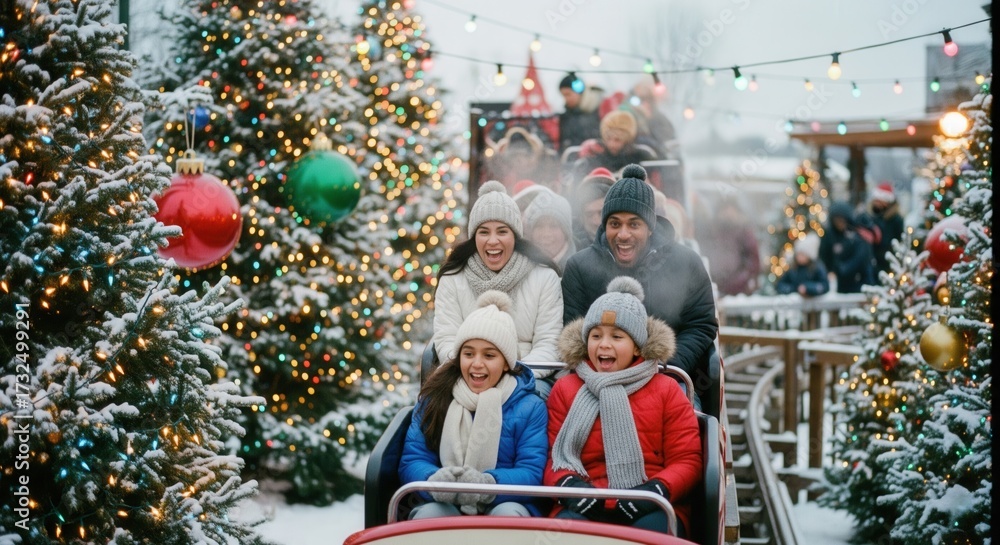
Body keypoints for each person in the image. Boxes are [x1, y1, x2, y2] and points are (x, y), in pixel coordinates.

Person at [545, 277, 702, 536]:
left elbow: (687, 460)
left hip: (650, 501)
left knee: (647, 537)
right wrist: (569, 486)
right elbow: (553, 458)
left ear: (637, 346)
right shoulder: (566, 389)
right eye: (596, 336)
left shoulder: (666, 390)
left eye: (617, 337)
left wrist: (656, 490)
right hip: (585, 499)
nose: (604, 344)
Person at [561, 165, 717, 409]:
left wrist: (666, 367)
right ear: (605, 226)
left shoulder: (685, 263)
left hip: (666, 375)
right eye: (615, 224)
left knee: (683, 417)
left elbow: (701, 324)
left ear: (650, 227)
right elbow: (574, 328)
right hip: (599, 378)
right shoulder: (580, 266)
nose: (623, 234)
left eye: (634, 225)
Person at [401, 291, 549, 519]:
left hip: (504, 500)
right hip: (446, 500)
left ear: (507, 364)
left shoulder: (530, 407)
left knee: (507, 516)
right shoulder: (436, 397)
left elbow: (531, 471)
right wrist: (436, 481)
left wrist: (487, 485)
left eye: (489, 356)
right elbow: (413, 459)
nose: (477, 364)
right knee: (430, 516)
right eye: (468, 354)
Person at [433, 180, 563, 372]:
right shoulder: (453, 279)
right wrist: (477, 373)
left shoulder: (544, 278)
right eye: (484, 232)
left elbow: (548, 343)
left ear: (515, 236)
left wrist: (512, 377)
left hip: (527, 376)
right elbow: (447, 340)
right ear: (474, 237)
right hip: (468, 375)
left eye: (502, 232)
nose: (493, 241)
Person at [697, 197, 761, 296]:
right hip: (717, 289)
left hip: (742, 291)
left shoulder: (744, 231)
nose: (728, 212)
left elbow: (752, 261)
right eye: (724, 209)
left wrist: (742, 281)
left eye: (730, 208)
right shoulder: (713, 231)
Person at [574, 110, 657, 177]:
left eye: (617, 140)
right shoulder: (594, 157)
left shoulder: (641, 157)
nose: (612, 144)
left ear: (627, 140)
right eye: (608, 139)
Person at [819, 201, 876, 293]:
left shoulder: (856, 236)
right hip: (835, 281)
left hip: (855, 280)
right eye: (837, 220)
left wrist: (843, 269)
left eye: (842, 220)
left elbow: (861, 258)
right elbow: (824, 255)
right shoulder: (829, 235)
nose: (840, 223)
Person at [522, 187, 576, 271]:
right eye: (539, 226)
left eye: (554, 226)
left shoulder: (581, 268)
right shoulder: (520, 269)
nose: (546, 234)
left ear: (566, 232)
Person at [863, 182, 904, 275]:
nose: (877, 203)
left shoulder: (896, 220)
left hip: (888, 265)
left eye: (880, 201)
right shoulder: (870, 218)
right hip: (871, 264)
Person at [570, 167, 615, 250]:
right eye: (589, 214)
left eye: (601, 213)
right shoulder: (571, 248)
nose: (596, 222)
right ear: (581, 217)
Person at [557, 73, 602, 152]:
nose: (566, 99)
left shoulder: (598, 111)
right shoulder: (566, 116)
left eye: (568, 94)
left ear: (579, 91)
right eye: (563, 95)